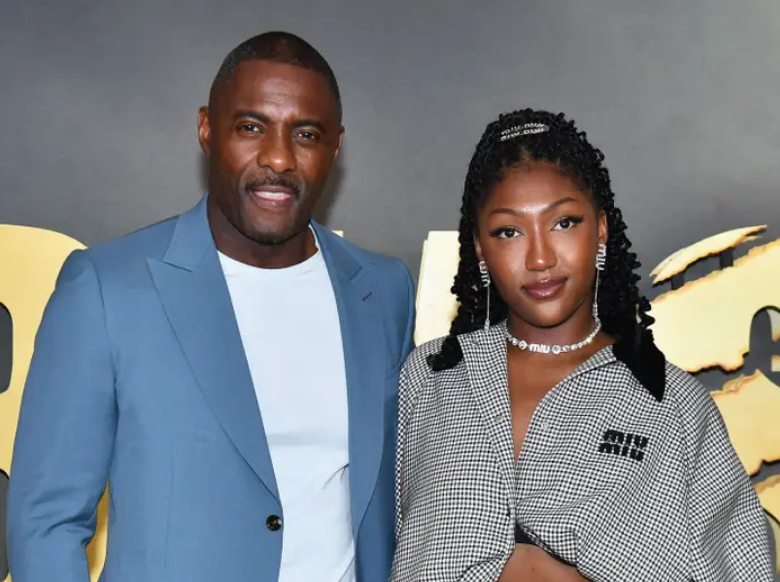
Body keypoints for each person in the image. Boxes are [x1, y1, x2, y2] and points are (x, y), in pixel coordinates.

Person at [8, 32, 415, 582]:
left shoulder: (382, 291)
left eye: (306, 134)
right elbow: (47, 523)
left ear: (335, 147)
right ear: (206, 129)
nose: (277, 157)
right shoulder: (107, 289)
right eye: (251, 127)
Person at [391, 109, 773, 581]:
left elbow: (744, 569)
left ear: (602, 231)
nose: (539, 257)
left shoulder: (671, 404)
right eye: (508, 231)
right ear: (480, 249)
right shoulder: (429, 378)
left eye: (564, 223)